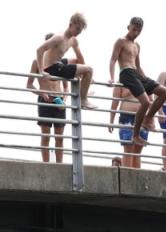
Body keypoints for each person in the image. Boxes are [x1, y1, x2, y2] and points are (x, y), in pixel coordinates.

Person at [109, 17, 166, 147]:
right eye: (134, 29)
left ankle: (147, 119)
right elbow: (113, 59)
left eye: (139, 31)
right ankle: (135, 135)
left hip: (137, 74)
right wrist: (112, 78)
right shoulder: (121, 41)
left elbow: (138, 65)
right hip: (126, 73)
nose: (136, 33)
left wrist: (147, 80)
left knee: (164, 92)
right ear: (128, 27)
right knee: (146, 102)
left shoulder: (137, 46)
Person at [36, 14, 95, 110]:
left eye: (80, 31)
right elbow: (39, 50)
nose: (78, 32)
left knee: (80, 64)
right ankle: (83, 100)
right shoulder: (59, 38)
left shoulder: (74, 41)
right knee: (89, 70)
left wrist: (86, 78)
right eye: (77, 29)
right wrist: (42, 71)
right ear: (70, 24)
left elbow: (80, 58)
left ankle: (83, 91)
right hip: (51, 68)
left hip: (58, 63)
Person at [27, 33, 67, 164]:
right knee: (46, 136)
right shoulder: (36, 62)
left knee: (59, 137)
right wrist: (41, 93)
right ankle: (46, 164)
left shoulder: (61, 63)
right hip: (45, 100)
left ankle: (59, 165)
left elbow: (66, 87)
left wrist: (64, 99)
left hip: (59, 100)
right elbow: (29, 84)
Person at [109, 84, 148, 168]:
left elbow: (150, 99)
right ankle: (127, 176)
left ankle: (137, 177)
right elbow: (115, 102)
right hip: (126, 118)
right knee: (128, 148)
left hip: (142, 117)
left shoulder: (143, 79)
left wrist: (151, 120)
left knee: (138, 150)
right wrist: (111, 120)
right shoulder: (121, 82)